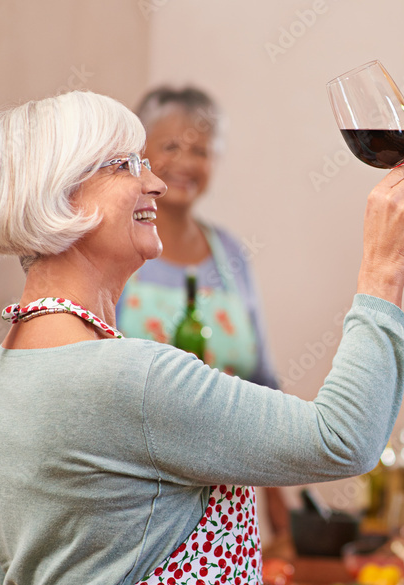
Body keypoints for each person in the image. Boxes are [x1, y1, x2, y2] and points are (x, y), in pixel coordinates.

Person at [0, 90, 404, 585]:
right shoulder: (132, 379)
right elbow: (342, 438)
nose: (155, 183)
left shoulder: (1, 375)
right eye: (126, 165)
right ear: (62, 195)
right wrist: (383, 270)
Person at [114, 85, 287, 542]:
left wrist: (281, 512)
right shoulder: (117, 248)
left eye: (201, 150)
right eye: (171, 146)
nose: (187, 162)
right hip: (136, 502)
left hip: (229, 505)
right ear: (139, 154)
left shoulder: (229, 253)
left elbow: (263, 382)